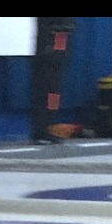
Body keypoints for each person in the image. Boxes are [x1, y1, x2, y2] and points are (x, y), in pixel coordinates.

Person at [30, 17, 76, 145]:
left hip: (56, 59)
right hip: (48, 58)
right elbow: (58, 29)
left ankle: (48, 127)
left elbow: (67, 28)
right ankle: (40, 130)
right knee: (44, 95)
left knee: (53, 96)